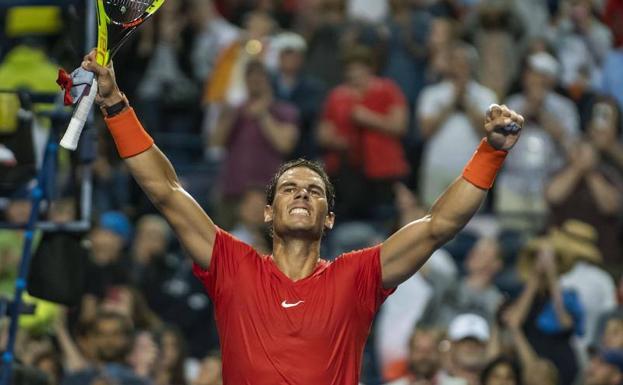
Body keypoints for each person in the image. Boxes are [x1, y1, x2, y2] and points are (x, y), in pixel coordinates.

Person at [81, 45, 525, 385]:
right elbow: (166, 191)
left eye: (314, 192)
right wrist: (116, 104)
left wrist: (490, 152)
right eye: (289, 188)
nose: (301, 194)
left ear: (328, 218)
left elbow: (438, 226)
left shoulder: (357, 276)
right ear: (267, 212)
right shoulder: (233, 265)